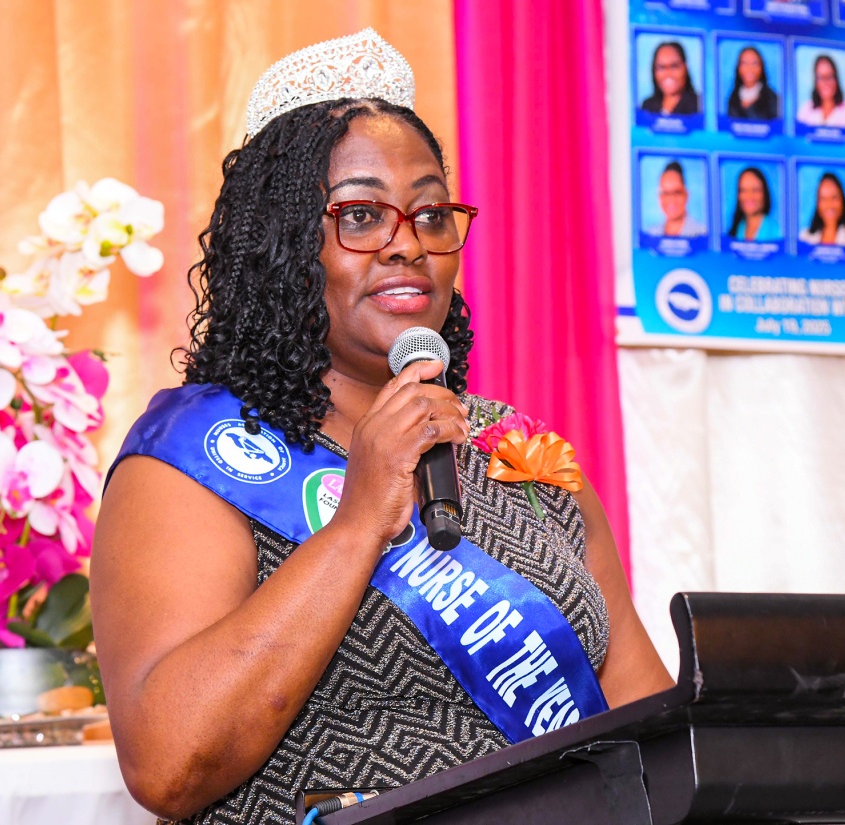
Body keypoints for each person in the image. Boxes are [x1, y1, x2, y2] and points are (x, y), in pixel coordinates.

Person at [91, 28, 673, 825]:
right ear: (284, 246)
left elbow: (650, 732)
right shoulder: (192, 459)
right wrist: (359, 520)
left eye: (432, 213)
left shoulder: (519, 451)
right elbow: (168, 764)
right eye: (361, 215)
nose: (408, 243)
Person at [645, 161, 707, 238]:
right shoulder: (650, 235)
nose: (671, 199)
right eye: (665, 193)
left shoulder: (702, 234)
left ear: (686, 195)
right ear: (659, 197)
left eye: (676, 192)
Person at [799, 172, 845, 247]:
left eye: (834, 197)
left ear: (842, 200)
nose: (829, 204)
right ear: (817, 203)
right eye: (823, 199)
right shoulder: (805, 237)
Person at [796, 55, 845, 128]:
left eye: (830, 76)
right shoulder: (806, 110)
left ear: (836, 79)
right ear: (815, 81)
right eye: (821, 77)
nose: (825, 82)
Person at [641, 41, 700, 116]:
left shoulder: (700, 105)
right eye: (661, 67)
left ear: (686, 67)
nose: (668, 73)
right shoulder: (647, 107)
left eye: (674, 66)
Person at [727, 167, 780, 242]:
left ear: (764, 193)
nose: (749, 196)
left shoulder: (778, 231)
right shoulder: (735, 231)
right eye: (743, 190)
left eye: (755, 190)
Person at [726, 46, 779, 120]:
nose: (749, 68)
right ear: (738, 68)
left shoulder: (772, 99)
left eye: (754, 63)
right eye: (744, 63)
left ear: (761, 67)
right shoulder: (733, 97)